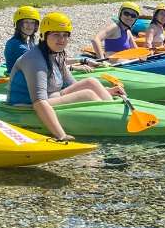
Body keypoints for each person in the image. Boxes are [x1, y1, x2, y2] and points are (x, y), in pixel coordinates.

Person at [8, 12, 124, 142]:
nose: (61, 39)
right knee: (87, 95)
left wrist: (107, 91)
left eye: (65, 35)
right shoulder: (35, 59)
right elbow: (39, 103)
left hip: (51, 97)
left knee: (91, 82)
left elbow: (72, 84)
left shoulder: (57, 54)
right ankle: (114, 120)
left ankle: (115, 112)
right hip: (24, 106)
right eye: (56, 34)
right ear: (43, 36)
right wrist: (61, 135)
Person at [5, 5, 42, 70]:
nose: (29, 26)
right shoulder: (16, 45)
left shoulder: (29, 41)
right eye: (26, 22)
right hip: (18, 78)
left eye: (32, 22)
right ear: (18, 24)